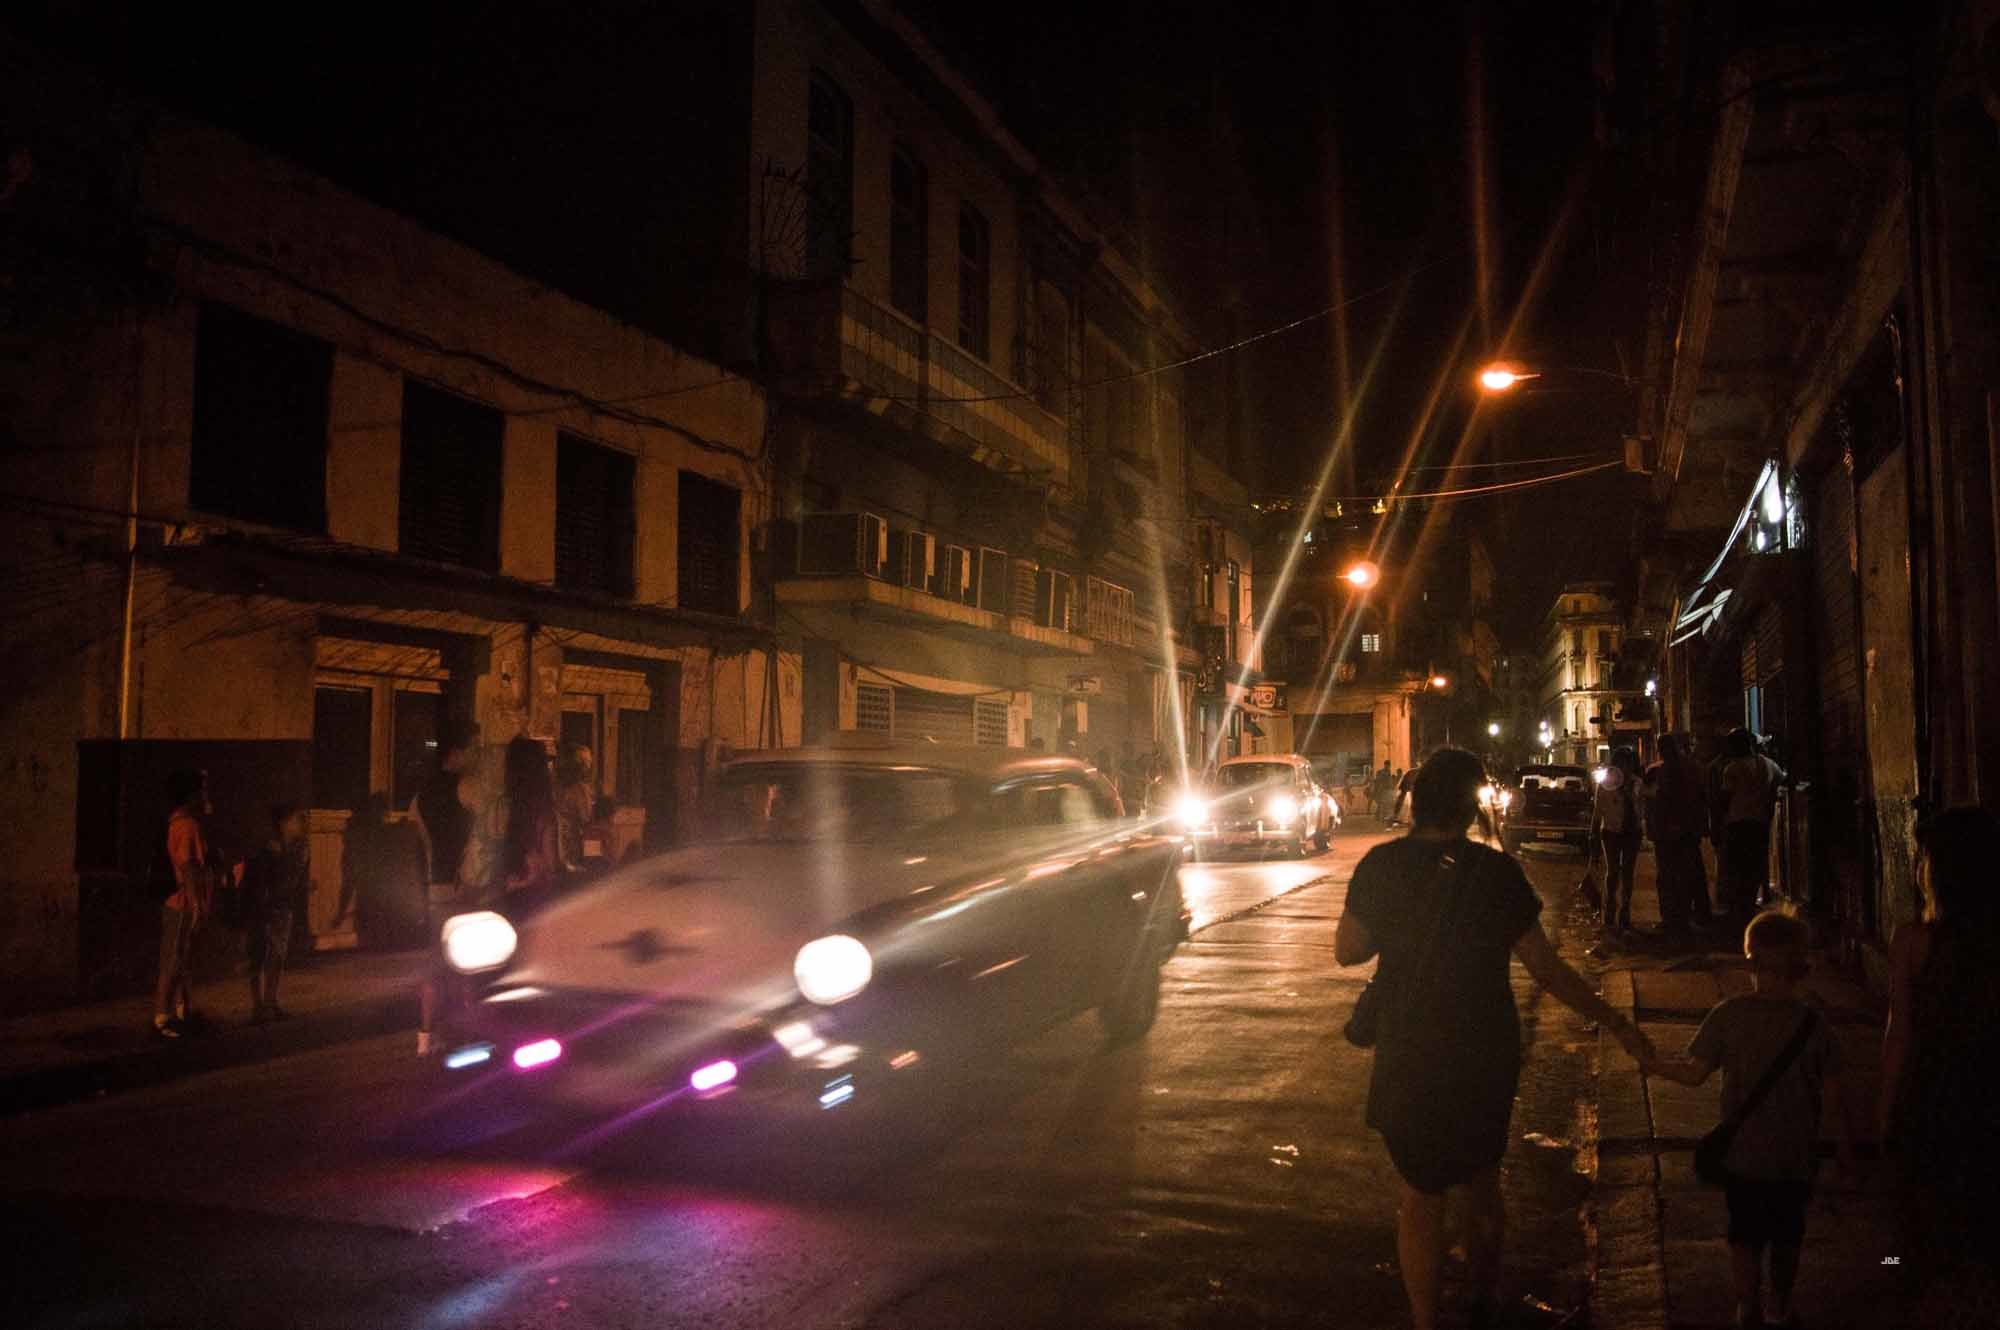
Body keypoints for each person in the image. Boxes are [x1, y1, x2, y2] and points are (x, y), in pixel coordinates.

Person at [1336, 748, 1655, 1330]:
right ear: (1471, 807)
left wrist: (1397, 930)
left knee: (1420, 1193)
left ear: (1417, 801)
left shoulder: (1382, 865)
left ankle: (1426, 1320)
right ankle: (1482, 1300)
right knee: (1483, 1181)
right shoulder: (1496, 872)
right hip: (1483, 1047)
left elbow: (1347, 950)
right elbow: (1547, 969)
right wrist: (1616, 1022)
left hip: (1410, 1046)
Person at [1646, 911, 1854, 1329]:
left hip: (1743, 1155)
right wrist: (1844, 1150)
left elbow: (1693, 1074)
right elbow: (1835, 1097)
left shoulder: (1728, 1015)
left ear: (1750, 960)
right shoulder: (1815, 1025)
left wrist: (1650, 1061)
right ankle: (1780, 1305)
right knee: (1787, 1235)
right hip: (1796, 1156)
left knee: (1744, 1235)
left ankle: (1747, 1307)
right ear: (1800, 965)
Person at [1878, 806, 2000, 1325]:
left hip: (1933, 1097)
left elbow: (1899, 1035)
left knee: (1925, 1224)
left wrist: (1885, 1111)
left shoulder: (1913, 942)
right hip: (1989, 1095)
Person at [153, 770, 219, 1039]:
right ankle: (162, 1018)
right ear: (191, 794)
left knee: (182, 960)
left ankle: (182, 1012)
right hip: (181, 905)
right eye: (202, 789)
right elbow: (189, 867)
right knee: (173, 960)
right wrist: (197, 905)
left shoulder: (181, 823)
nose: (206, 794)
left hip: (183, 903)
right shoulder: (187, 826)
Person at [238, 803, 308, 1022]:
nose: (302, 823)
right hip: (263, 909)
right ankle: (258, 1006)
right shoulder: (268, 849)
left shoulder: (296, 848)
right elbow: (261, 882)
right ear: (283, 823)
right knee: (258, 956)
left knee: (277, 956)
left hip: (282, 908)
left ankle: (270, 1002)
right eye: (296, 819)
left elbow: (293, 881)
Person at [1644, 733, 1714, 943]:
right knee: (1690, 874)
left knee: (1671, 876)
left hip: (1672, 832)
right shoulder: (1691, 768)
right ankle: (1694, 914)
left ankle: (1676, 918)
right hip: (1685, 831)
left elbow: (1661, 800)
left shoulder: (1666, 771)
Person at [1718, 729, 1785, 925]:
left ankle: (1741, 907)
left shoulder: (1732, 769)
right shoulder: (1767, 764)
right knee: (1756, 863)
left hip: (1737, 823)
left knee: (1738, 865)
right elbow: (1781, 780)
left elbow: (1725, 798)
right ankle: (1752, 900)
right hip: (1760, 822)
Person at [498, 735, 561, 915]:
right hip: (536, 901)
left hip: (505, 898)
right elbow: (551, 866)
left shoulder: (501, 807)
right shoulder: (544, 812)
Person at [1592, 747, 1643, 940]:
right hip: (1611, 833)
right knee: (1613, 872)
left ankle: (1625, 913)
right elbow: (1598, 811)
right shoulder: (1605, 784)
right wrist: (1593, 834)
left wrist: (1629, 792)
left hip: (1632, 833)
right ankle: (1610, 912)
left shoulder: (1636, 783)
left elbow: (1640, 808)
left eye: (1627, 764)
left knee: (1628, 872)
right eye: (1620, 764)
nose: (1624, 768)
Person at [555, 742, 597, 872]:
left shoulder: (556, 786)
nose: (590, 766)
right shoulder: (580, 790)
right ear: (583, 766)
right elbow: (587, 820)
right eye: (588, 762)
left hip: (555, 844)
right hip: (571, 846)